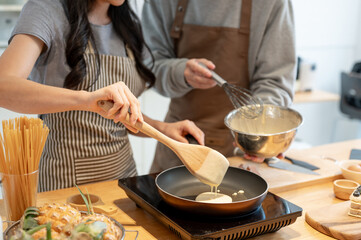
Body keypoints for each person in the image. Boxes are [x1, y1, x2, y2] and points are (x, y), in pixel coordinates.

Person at [0, 0, 204, 192]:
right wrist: (87, 100)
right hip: (66, 186)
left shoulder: (127, 25)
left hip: (124, 183)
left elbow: (119, 114)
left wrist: (163, 128)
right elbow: (4, 86)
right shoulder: (46, 10)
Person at [142, 0, 296, 172]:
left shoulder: (271, 4)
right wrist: (180, 73)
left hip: (240, 153)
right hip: (179, 143)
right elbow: (149, 67)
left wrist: (261, 132)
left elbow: (275, 80)